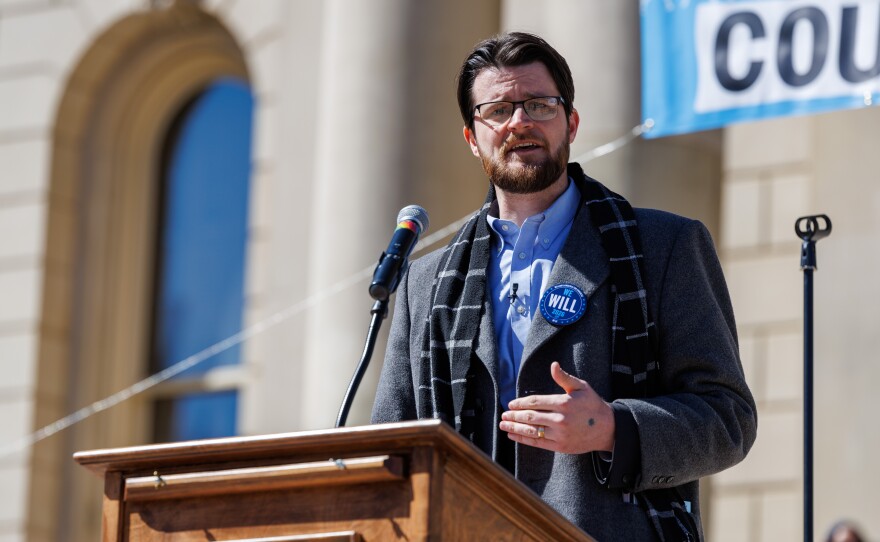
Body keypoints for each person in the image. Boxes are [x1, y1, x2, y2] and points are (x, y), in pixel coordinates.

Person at [371, 31, 757, 541]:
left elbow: (727, 418)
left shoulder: (666, 245)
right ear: (472, 137)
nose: (520, 122)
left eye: (539, 105)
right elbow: (391, 446)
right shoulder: (425, 284)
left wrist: (612, 427)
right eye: (498, 110)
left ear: (570, 122)